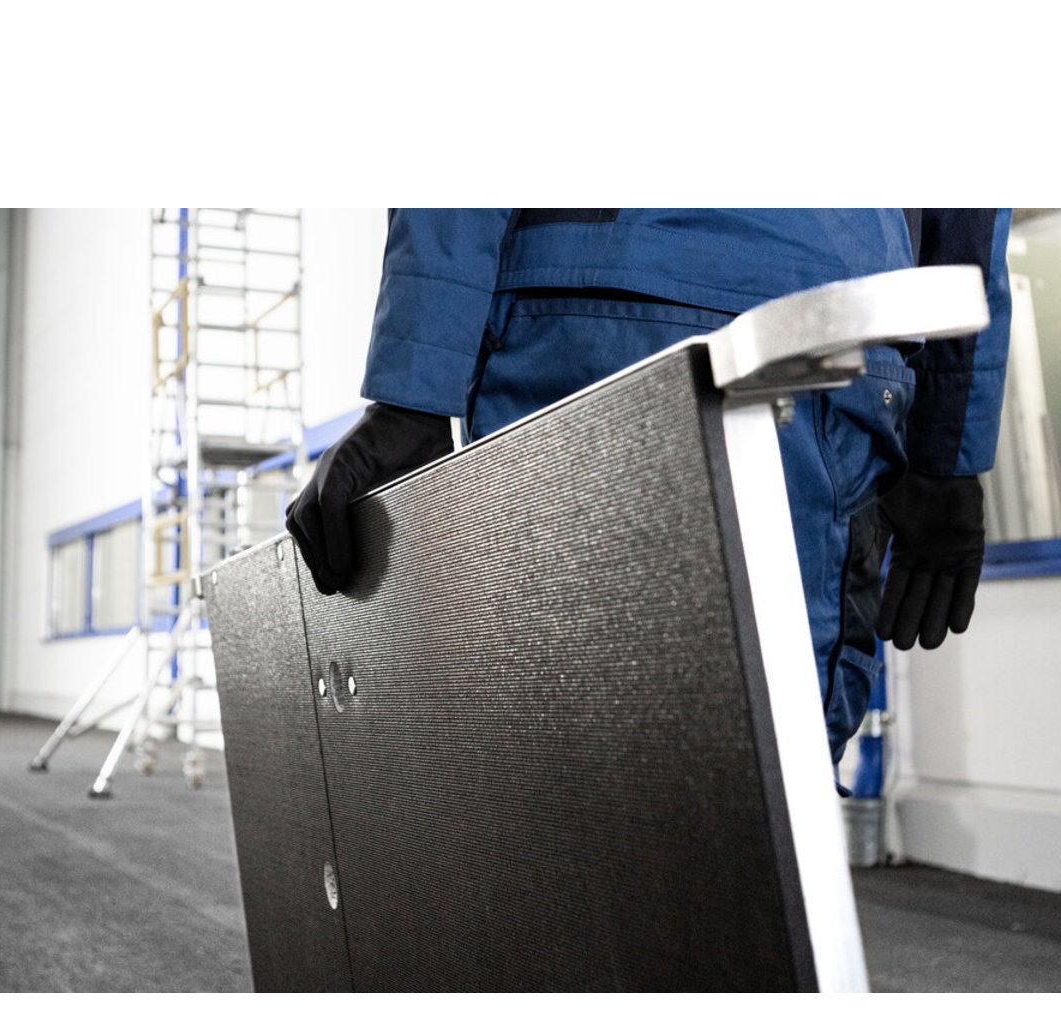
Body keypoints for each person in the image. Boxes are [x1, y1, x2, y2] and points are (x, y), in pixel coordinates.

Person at [286, 209, 1013, 765]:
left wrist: (413, 392)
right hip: (827, 319)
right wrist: (945, 450)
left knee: (543, 772)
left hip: (581, 307)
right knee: (767, 795)